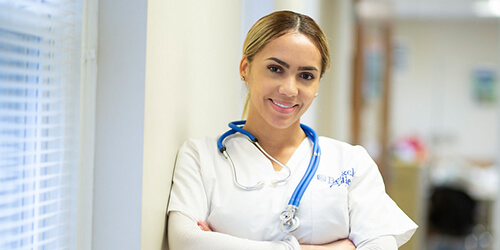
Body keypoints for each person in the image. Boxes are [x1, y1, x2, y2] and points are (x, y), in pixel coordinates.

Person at [167, 10, 417, 250]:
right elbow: (186, 242)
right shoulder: (200, 157)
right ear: (245, 68)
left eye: (306, 76)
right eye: (275, 69)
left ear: (318, 83)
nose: (289, 89)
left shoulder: (352, 163)